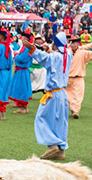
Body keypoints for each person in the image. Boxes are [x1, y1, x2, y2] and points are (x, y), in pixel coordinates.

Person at [25, 31, 72, 160]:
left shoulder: (55, 57)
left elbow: (44, 59)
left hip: (52, 94)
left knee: (42, 118)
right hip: (62, 93)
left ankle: (52, 146)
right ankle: (60, 149)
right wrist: (49, 49)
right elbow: (56, 56)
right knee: (61, 122)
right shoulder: (68, 55)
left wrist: (33, 48)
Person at [66, 36, 92, 119]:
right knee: (67, 96)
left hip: (78, 77)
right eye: (72, 43)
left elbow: (91, 54)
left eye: (75, 43)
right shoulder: (67, 52)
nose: (73, 45)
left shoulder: (82, 52)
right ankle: (73, 108)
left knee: (78, 95)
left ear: (78, 44)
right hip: (67, 78)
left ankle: (76, 111)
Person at [8, 31, 33, 114]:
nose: (21, 39)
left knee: (22, 88)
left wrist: (16, 55)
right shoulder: (23, 47)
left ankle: (23, 107)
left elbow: (22, 58)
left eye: (22, 38)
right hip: (20, 70)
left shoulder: (27, 48)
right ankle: (19, 103)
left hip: (22, 70)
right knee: (18, 87)